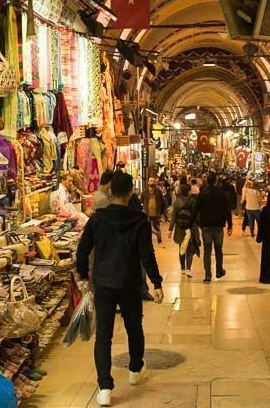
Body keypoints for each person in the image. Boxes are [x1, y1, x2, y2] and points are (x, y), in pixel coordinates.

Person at [76, 172, 164, 407]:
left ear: (111, 192)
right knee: (134, 327)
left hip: (104, 282)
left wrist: (84, 276)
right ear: (131, 192)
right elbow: (147, 255)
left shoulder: (97, 219)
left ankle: (105, 387)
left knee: (103, 335)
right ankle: (135, 369)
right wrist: (156, 283)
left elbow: (82, 251)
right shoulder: (140, 221)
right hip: (130, 282)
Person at [193, 172, 228, 284]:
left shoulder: (202, 194)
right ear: (216, 181)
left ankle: (208, 276)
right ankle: (219, 270)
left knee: (207, 251)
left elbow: (195, 209)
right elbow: (226, 210)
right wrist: (230, 224)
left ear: (207, 181)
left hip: (206, 227)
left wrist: (193, 223)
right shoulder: (221, 194)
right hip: (218, 226)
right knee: (218, 250)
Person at [171, 183, 199, 277]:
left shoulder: (177, 202)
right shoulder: (193, 201)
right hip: (190, 228)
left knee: (181, 248)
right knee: (190, 250)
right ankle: (188, 269)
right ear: (188, 191)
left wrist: (170, 229)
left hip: (180, 228)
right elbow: (196, 216)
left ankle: (182, 268)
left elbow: (173, 216)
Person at [140, 177, 164, 246]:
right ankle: (147, 242)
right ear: (148, 182)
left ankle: (160, 242)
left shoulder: (158, 191)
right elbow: (141, 202)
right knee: (146, 229)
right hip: (147, 214)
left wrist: (160, 212)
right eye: (151, 181)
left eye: (153, 181)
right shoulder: (144, 192)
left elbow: (162, 202)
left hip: (156, 214)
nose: (152, 183)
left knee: (157, 228)